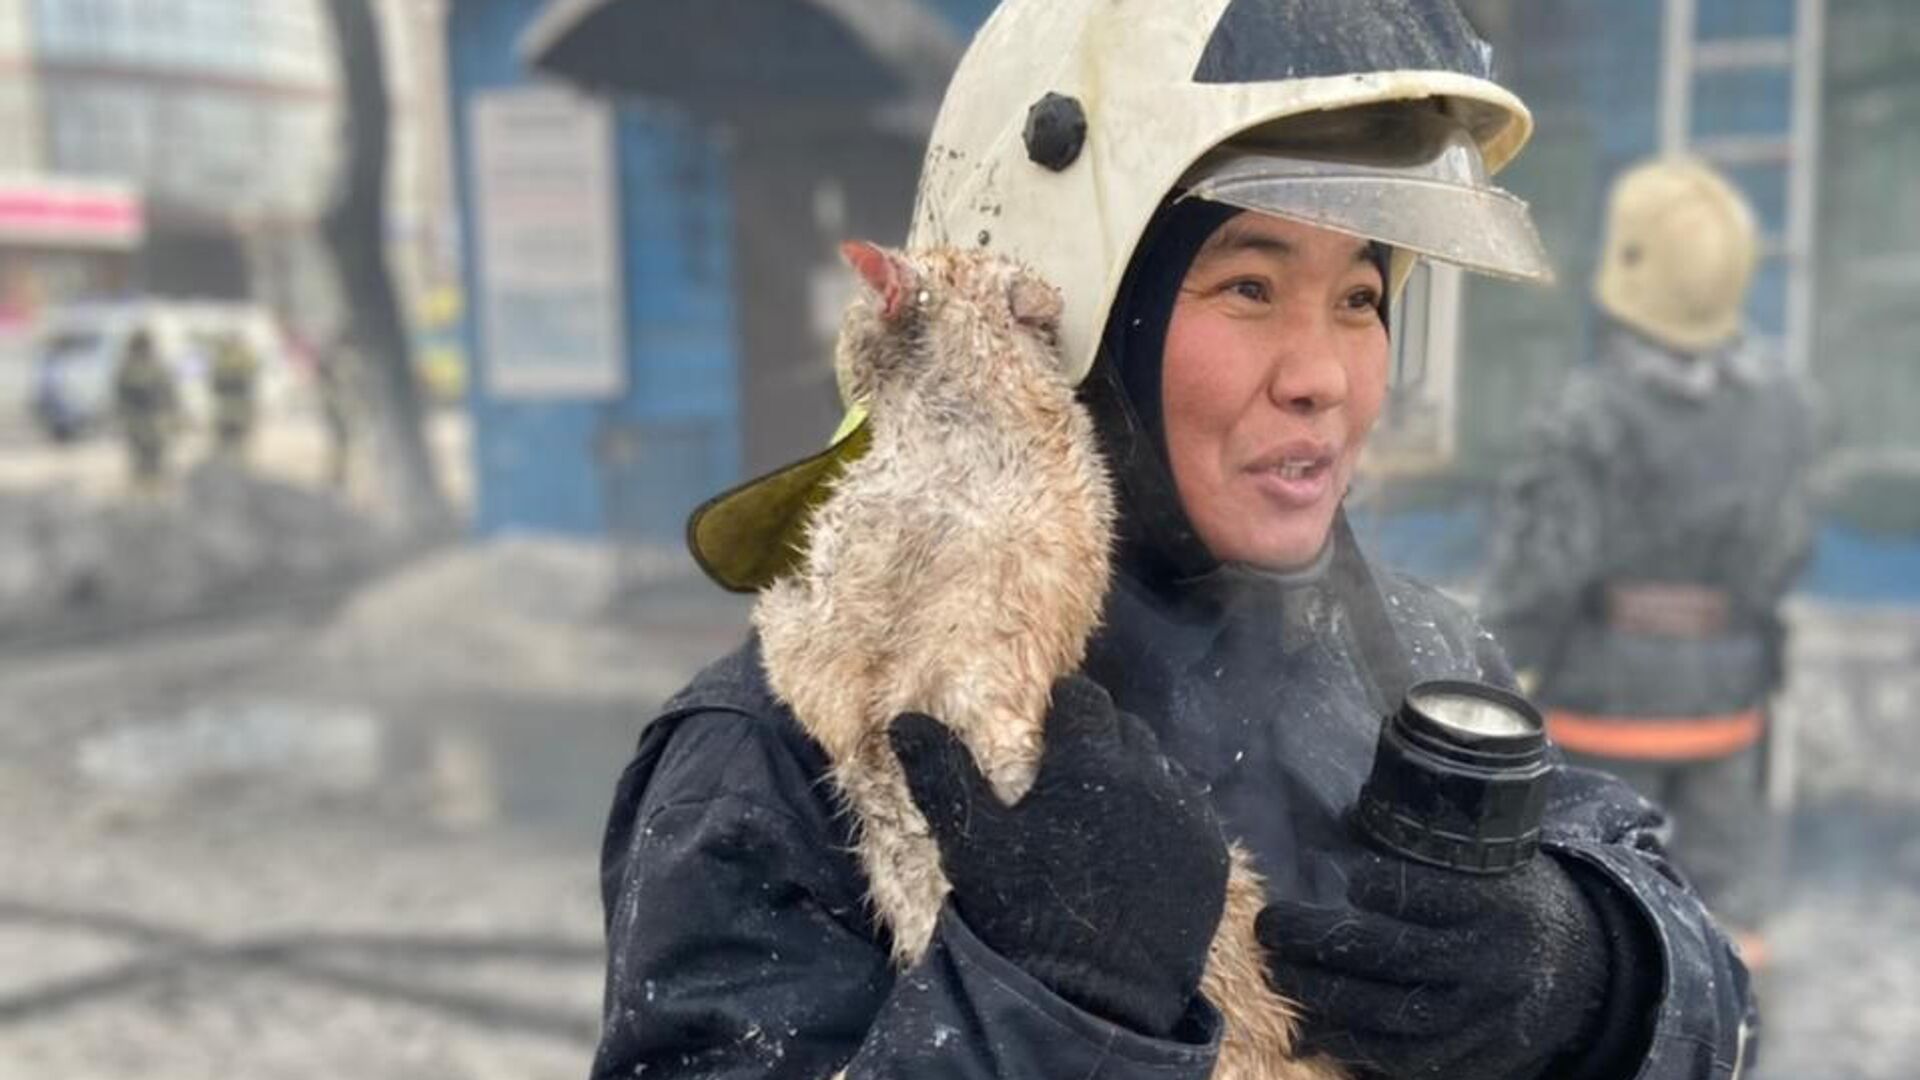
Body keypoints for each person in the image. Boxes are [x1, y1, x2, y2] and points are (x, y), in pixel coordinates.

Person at [594, 3, 1756, 1078]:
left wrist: (1591, 977)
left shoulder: (1406, 646)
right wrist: (1056, 1008)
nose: (1324, 381)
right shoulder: (789, 745)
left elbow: (1708, 993)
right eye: (1249, 286)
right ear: (1079, 315)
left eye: (1360, 299)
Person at [1482, 157, 1821, 972]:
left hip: (1603, 714)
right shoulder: (1783, 407)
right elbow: (1783, 552)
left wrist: (1486, 660)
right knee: (1727, 927)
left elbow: (1539, 577)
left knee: (1601, 918)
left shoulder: (1586, 418)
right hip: (1730, 709)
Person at [113, 328, 180, 490]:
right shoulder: (137, 367)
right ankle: (147, 485)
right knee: (146, 457)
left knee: (151, 456)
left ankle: (150, 485)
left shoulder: (134, 367)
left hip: (148, 419)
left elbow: (167, 391)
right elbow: (121, 393)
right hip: (143, 419)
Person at [209, 333, 260, 460]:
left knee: (231, 434)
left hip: (232, 402)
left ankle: (231, 455)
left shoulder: (223, 359)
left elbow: (215, 383)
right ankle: (234, 455)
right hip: (235, 402)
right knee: (234, 434)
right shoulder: (239, 358)